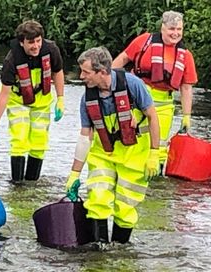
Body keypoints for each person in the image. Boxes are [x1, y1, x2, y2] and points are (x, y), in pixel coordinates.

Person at [66, 47, 160, 244]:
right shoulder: (87, 99)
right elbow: (85, 137)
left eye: (86, 72)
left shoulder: (133, 84)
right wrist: (74, 173)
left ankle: (119, 250)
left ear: (102, 71)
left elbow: (153, 116)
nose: (81, 76)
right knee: (98, 198)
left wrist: (154, 152)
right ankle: (100, 249)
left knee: (125, 206)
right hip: (103, 154)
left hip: (134, 154)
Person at [112, 10, 197, 169]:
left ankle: (155, 177)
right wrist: (108, 78)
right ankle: (122, 167)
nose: (175, 33)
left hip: (164, 104)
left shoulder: (186, 55)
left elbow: (186, 88)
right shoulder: (145, 41)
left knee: (160, 145)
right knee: (129, 134)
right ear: (163, 28)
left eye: (179, 29)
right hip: (135, 98)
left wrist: (186, 117)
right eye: (172, 29)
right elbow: (123, 58)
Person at [0, 20, 65, 183]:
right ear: (21, 43)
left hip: (42, 101)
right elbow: (4, 94)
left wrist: (60, 98)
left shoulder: (51, 50)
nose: (36, 46)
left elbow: (57, 72)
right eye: (31, 42)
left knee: (39, 141)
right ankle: (17, 184)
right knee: (19, 139)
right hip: (18, 101)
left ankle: (32, 183)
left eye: (38, 41)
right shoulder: (11, 60)